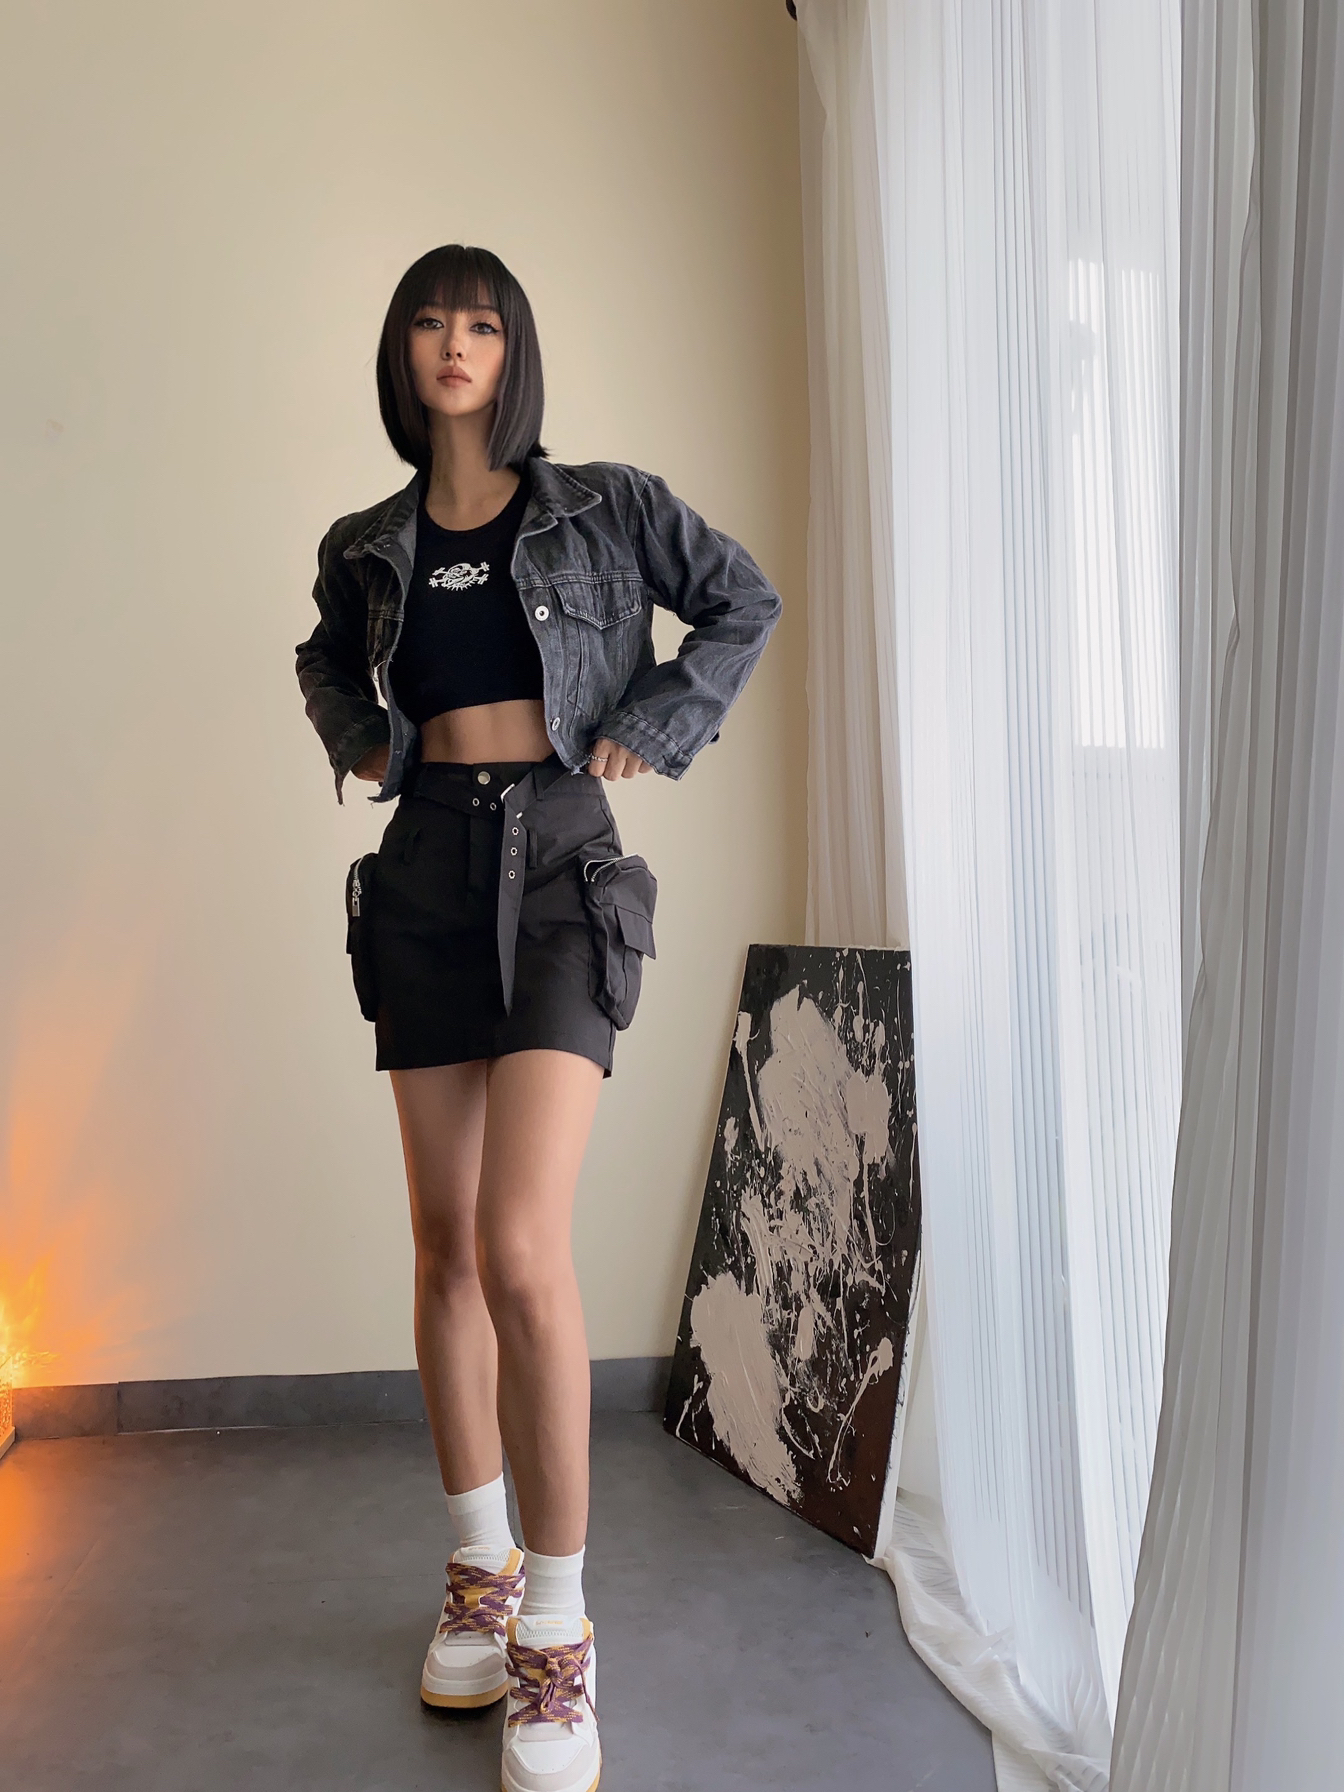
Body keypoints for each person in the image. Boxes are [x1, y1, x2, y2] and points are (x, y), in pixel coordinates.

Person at [296, 243, 780, 1792]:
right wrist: (365, 742)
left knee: (519, 1245)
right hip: (425, 868)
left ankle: (559, 1635)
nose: (457, 344)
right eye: (433, 323)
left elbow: (742, 600)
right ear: (404, 352)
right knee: (443, 1243)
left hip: (565, 863)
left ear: (514, 354)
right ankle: (480, 1576)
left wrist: (660, 717)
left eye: (485, 324)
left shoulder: (605, 506)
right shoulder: (368, 546)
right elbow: (326, 660)